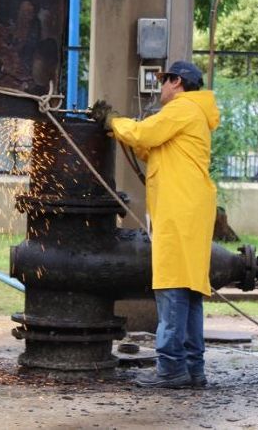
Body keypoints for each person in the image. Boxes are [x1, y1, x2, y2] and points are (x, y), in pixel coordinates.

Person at [90, 60, 220, 389]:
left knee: (172, 288)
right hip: (190, 210)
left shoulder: (183, 108)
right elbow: (152, 147)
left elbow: (145, 133)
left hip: (180, 210)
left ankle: (172, 369)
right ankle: (193, 368)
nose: (160, 87)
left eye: (164, 81)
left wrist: (114, 122)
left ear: (177, 82)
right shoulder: (193, 114)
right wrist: (121, 129)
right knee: (190, 291)